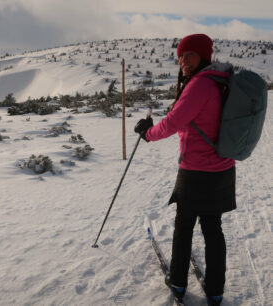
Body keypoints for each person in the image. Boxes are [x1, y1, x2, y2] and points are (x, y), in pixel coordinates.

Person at [134, 34, 236, 306]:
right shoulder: (219, 81)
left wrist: (148, 134)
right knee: (213, 228)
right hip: (222, 167)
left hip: (196, 170)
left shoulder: (200, 84)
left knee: (184, 225)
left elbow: (173, 122)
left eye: (189, 54)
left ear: (203, 56)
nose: (183, 61)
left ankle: (178, 282)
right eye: (180, 56)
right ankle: (215, 290)